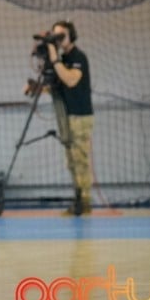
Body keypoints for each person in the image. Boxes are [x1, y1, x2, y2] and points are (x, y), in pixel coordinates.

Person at [45, 20, 94, 216]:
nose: (58, 39)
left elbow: (71, 80)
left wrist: (55, 59)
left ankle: (86, 202)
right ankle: (77, 201)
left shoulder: (77, 57)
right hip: (68, 116)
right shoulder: (63, 59)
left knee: (80, 161)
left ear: (71, 36)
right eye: (55, 36)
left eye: (61, 35)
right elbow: (57, 86)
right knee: (71, 162)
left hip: (80, 116)